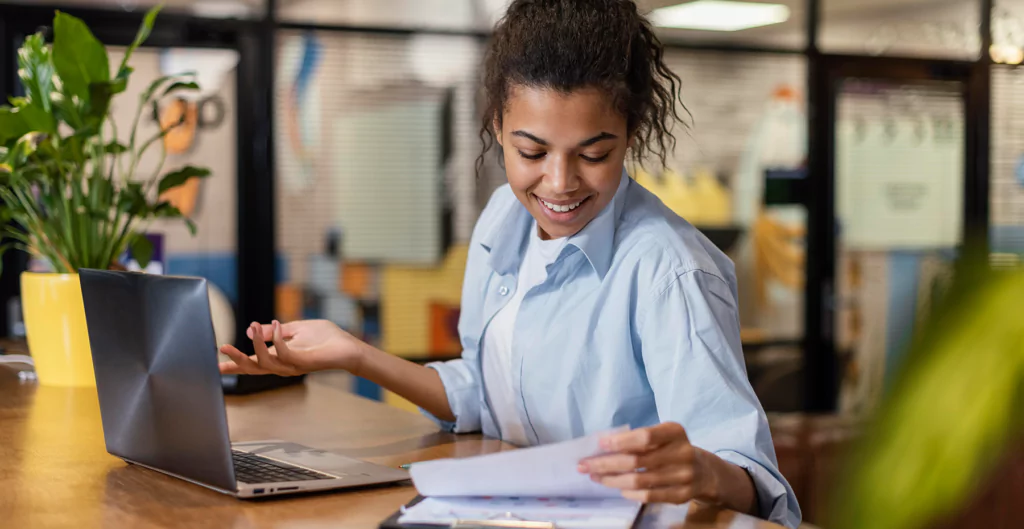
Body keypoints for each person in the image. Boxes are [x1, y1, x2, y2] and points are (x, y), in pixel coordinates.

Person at [220, 1, 801, 526]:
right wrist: (354, 353)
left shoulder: (671, 273)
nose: (559, 182)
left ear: (631, 134)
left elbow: (757, 491)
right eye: (531, 151)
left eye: (594, 154)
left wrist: (704, 472)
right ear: (497, 124)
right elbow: (482, 391)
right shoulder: (504, 216)